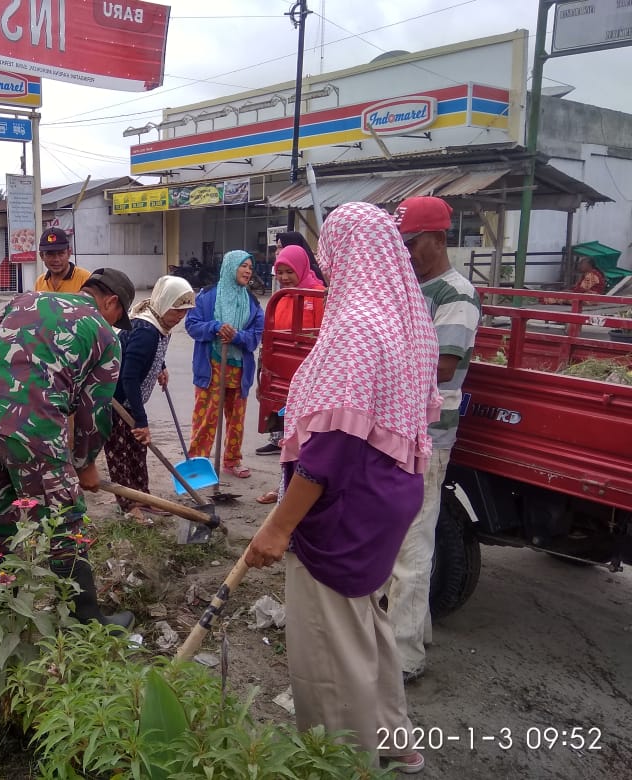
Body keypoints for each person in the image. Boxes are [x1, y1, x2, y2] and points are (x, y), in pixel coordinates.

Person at [244, 202, 441, 775]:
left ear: (342, 253)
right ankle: (392, 740)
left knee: (328, 650)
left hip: (342, 510)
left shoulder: (356, 326)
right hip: (388, 499)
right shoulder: (407, 319)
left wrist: (278, 527)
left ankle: (342, 763)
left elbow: (329, 448)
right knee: (367, 624)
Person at [0, 269, 136, 627]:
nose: (116, 323)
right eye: (118, 315)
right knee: (63, 521)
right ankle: (88, 622)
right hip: (31, 425)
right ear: (111, 302)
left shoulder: (27, 299)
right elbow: (95, 411)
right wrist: (83, 463)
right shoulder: (106, 334)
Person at [385, 196, 480, 683]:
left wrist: (377, 355)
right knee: (399, 543)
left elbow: (440, 366)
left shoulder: (455, 295)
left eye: (413, 243)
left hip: (428, 436)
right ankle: (410, 634)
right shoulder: (413, 288)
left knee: (412, 547)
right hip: (401, 428)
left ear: (439, 239)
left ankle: (404, 659)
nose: (407, 253)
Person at [105, 276, 196, 525]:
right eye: (177, 310)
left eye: (185, 312)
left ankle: (143, 497)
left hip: (130, 401)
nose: (180, 317)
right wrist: (141, 420)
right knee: (120, 453)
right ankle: (128, 505)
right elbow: (129, 377)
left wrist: (160, 366)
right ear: (164, 303)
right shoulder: (146, 332)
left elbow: (145, 354)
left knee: (137, 449)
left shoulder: (156, 322)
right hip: (115, 401)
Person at [255, 244, 327, 500]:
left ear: (302, 268)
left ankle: (302, 493)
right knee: (288, 438)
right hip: (284, 383)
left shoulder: (319, 295)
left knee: (310, 441)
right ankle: (284, 486)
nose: (284, 277)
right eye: (280, 271)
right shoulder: (282, 299)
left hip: (313, 383)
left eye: (289, 271)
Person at [185, 250, 264, 479]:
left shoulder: (252, 302)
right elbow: (192, 325)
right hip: (212, 367)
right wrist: (215, 327)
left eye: (250, 266)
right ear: (230, 267)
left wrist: (237, 336)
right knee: (205, 417)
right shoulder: (207, 297)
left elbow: (256, 336)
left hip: (239, 370)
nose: (248, 271)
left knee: (236, 418)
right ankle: (198, 463)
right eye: (243, 266)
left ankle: (232, 460)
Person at [34, 227, 91, 293]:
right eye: (50, 254)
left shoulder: (85, 279)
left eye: (61, 253)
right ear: (41, 256)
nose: (56, 259)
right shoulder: (40, 282)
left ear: (69, 253)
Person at [541, 255, 606, 302]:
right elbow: (579, 288)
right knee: (560, 295)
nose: (579, 266)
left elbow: (581, 290)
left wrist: (569, 291)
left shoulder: (592, 275)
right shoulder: (588, 274)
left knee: (561, 297)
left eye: (582, 264)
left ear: (588, 265)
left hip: (590, 299)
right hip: (585, 297)